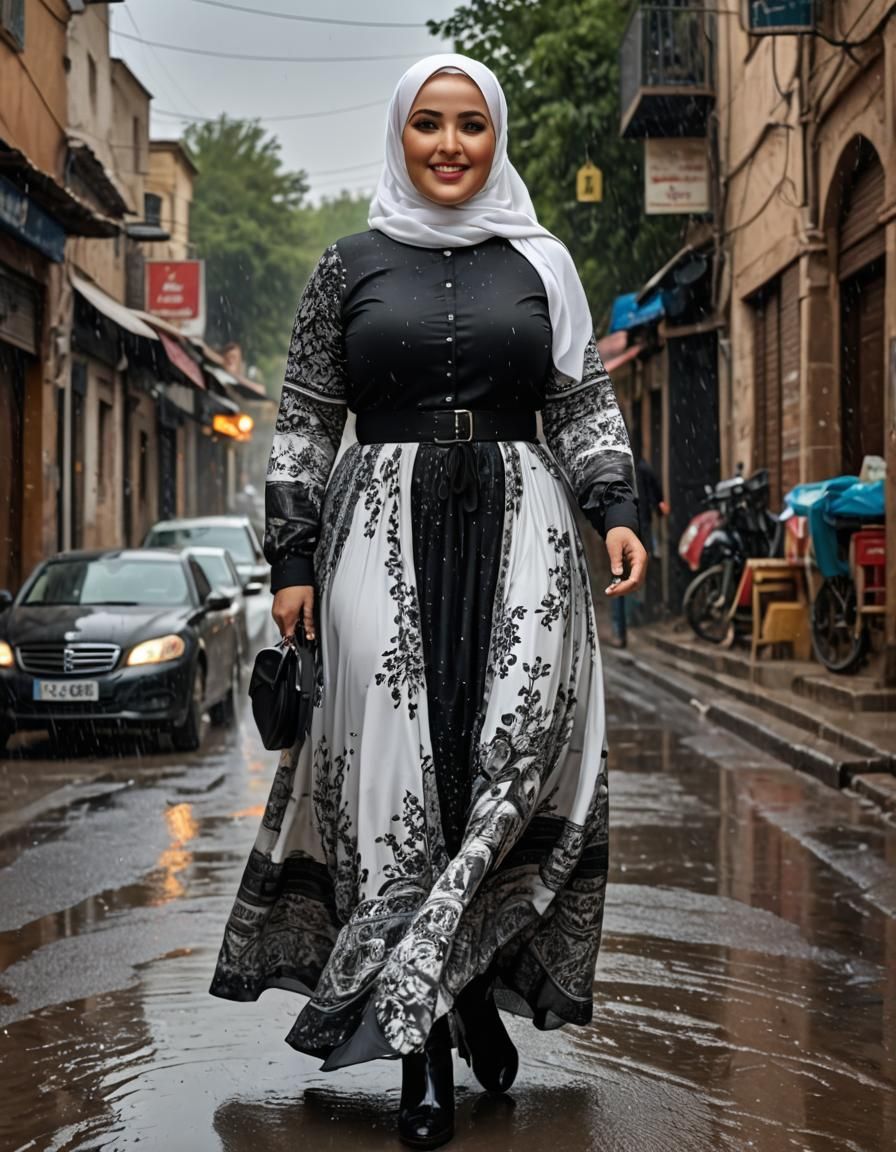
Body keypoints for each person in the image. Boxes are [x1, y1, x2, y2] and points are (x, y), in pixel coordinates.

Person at [210, 53, 646, 1150]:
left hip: (523, 533)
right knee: (402, 789)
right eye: (427, 126)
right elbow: (305, 419)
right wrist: (293, 560)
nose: (449, 145)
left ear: (491, 138)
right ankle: (429, 1052)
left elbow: (582, 399)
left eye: (468, 126)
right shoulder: (343, 266)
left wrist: (617, 509)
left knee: (509, 761)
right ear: (400, 137)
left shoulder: (540, 262)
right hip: (376, 544)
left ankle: (455, 990)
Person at [608, 454, 667, 648]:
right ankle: (631, 621)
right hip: (638, 531)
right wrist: (658, 508)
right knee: (634, 575)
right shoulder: (641, 467)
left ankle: (622, 628)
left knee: (620, 578)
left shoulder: (614, 469)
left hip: (623, 531)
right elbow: (658, 498)